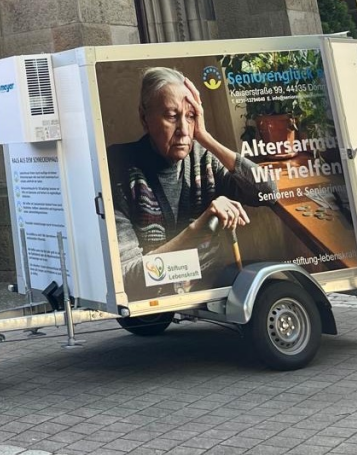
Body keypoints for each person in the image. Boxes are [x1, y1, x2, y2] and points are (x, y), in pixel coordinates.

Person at [107, 66, 276, 300]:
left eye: (190, 116)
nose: (184, 130)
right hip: (154, 303)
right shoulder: (118, 168)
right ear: (144, 118)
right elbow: (127, 278)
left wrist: (205, 137)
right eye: (172, 116)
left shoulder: (204, 158)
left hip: (209, 291)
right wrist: (197, 230)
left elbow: (268, 191)